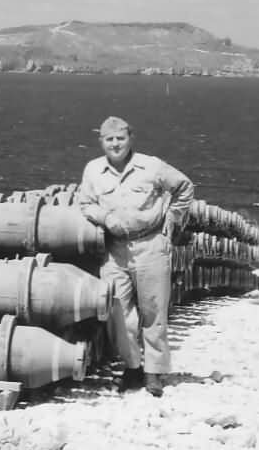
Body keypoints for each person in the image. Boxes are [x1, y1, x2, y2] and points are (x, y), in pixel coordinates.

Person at [76, 116, 194, 397]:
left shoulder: (151, 166)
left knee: (153, 311)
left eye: (120, 138)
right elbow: (85, 203)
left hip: (151, 244)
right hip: (115, 250)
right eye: (109, 139)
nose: (115, 144)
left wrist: (174, 218)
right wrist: (104, 217)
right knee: (118, 312)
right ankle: (132, 367)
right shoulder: (93, 170)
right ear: (101, 141)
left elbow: (184, 187)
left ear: (130, 139)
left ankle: (154, 373)